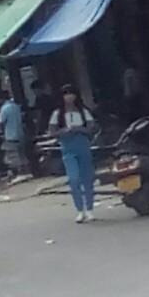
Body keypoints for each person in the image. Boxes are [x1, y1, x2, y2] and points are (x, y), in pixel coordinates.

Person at [48, 85, 99, 223]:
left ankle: (89, 209)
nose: (69, 97)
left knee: (87, 178)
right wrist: (64, 131)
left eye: (71, 94)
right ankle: (79, 210)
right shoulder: (58, 114)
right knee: (74, 179)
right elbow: (52, 132)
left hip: (83, 146)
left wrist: (79, 129)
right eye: (66, 94)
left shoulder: (83, 111)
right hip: (67, 148)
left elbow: (92, 128)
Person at [0, 91, 28, 180]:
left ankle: (19, 174)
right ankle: (26, 172)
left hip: (10, 136)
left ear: (1, 99)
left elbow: (1, 122)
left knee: (12, 157)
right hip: (20, 134)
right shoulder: (16, 106)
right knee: (22, 155)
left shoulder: (4, 108)